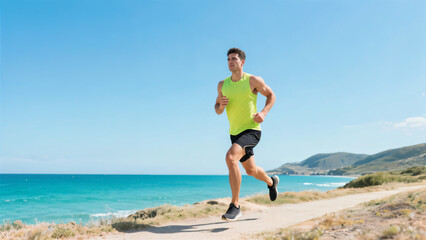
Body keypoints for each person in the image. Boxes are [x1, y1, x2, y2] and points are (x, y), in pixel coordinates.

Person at [215, 48, 279, 221]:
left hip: (252, 130)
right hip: (234, 133)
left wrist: (264, 113)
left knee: (230, 157)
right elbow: (217, 110)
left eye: (234, 59)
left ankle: (235, 205)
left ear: (242, 62)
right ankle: (271, 182)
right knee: (250, 170)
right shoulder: (223, 85)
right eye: (228, 59)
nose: (230, 62)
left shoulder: (252, 80)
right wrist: (220, 105)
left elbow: (271, 95)